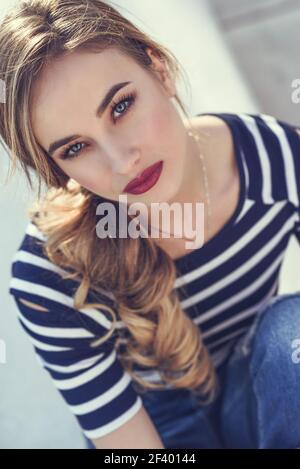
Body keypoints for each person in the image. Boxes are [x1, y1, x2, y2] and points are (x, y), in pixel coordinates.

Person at [1, 0, 300, 449]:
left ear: (159, 71)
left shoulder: (272, 157)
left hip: (269, 392)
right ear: (57, 169)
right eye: (76, 148)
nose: (122, 161)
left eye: (121, 106)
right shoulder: (49, 276)